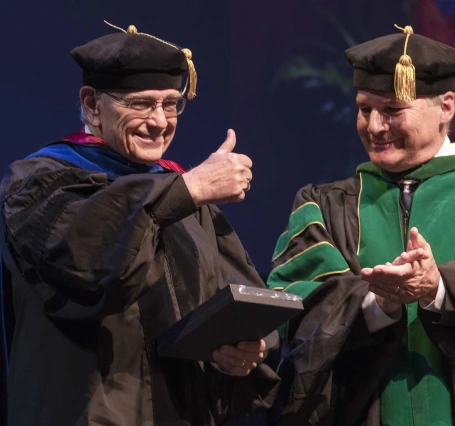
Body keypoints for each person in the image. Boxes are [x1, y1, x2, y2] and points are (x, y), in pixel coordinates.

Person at [266, 25, 455, 425]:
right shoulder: (323, 205)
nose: (374, 126)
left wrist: (441, 288)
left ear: (446, 107)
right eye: (364, 109)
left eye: (392, 110)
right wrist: (378, 303)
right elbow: (293, 308)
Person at [0, 22, 280, 426]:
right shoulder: (40, 183)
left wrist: (248, 347)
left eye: (170, 104)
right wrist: (191, 187)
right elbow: (88, 266)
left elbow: (242, 294)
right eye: (141, 104)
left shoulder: (180, 190)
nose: (160, 121)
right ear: (92, 104)